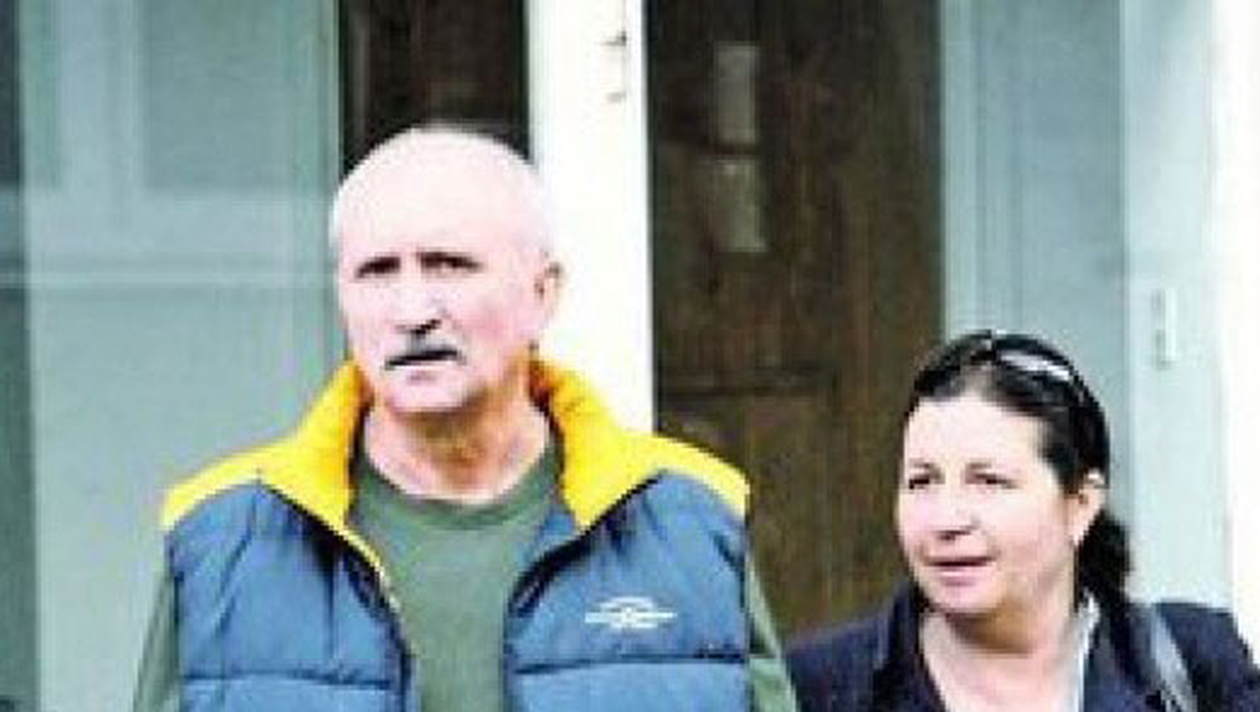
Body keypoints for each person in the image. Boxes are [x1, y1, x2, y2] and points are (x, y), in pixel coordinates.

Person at [132, 126, 799, 712]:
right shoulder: (223, 541)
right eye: (377, 272)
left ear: (543, 294)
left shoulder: (688, 522)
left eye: (449, 265)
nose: (412, 310)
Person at [787, 329, 1260, 712]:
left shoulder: (1190, 662)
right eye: (922, 481)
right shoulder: (817, 687)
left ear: (1080, 504)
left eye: (988, 481)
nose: (947, 519)